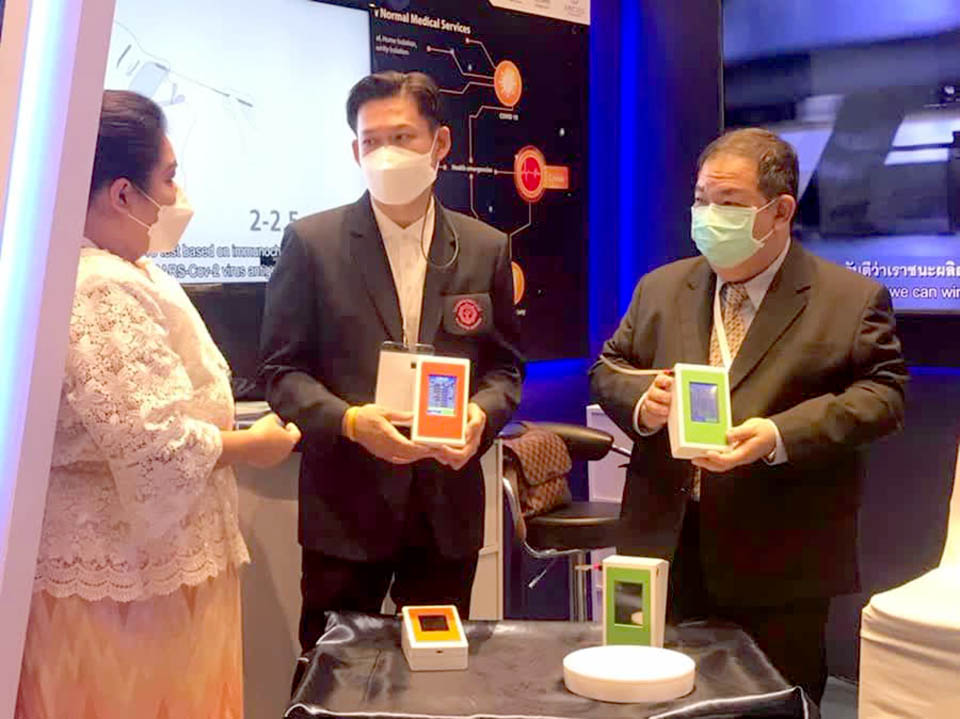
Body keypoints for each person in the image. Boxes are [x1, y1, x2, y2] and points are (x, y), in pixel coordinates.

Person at [589, 128, 908, 704]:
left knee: (772, 703)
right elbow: (609, 368)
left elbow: (883, 398)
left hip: (780, 557)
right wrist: (642, 401)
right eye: (701, 200)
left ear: (780, 211)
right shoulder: (661, 288)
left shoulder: (849, 299)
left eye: (729, 203)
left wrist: (779, 434)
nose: (709, 216)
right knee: (653, 701)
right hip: (664, 544)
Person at [16, 90, 302, 719]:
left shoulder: (126, 269)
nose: (178, 196)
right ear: (122, 193)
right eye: (169, 177)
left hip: (155, 579)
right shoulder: (97, 288)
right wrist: (252, 446)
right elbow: (153, 443)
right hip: (122, 593)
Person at [259, 71, 524, 653]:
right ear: (355, 151)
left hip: (445, 508)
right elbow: (280, 372)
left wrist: (481, 414)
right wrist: (351, 422)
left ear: (440, 143)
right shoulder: (313, 243)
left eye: (402, 138)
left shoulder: (485, 247)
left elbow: (504, 369)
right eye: (371, 141)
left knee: (433, 675)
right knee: (331, 673)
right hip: (346, 509)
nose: (386, 154)